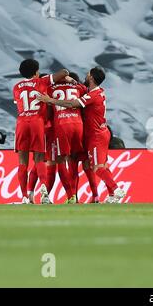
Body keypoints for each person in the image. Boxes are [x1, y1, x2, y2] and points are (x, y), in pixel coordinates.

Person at [37, 66, 126, 204]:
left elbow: (72, 103)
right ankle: (108, 194)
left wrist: (51, 100)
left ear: (91, 77)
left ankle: (116, 190)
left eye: (88, 74)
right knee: (99, 165)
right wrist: (70, 80)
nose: (85, 75)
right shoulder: (95, 91)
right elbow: (77, 89)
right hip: (95, 132)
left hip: (94, 134)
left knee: (94, 167)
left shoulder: (91, 95)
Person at [13, 59, 72, 204]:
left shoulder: (16, 87)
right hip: (37, 122)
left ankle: (25, 197)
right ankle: (44, 193)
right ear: (36, 72)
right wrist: (66, 76)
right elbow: (64, 71)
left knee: (22, 162)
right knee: (39, 159)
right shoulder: (42, 81)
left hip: (21, 122)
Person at [47, 72, 88, 204]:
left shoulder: (50, 89)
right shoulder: (79, 87)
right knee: (74, 160)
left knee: (61, 160)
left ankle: (70, 196)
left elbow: (48, 112)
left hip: (62, 124)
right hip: (78, 124)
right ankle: (76, 196)